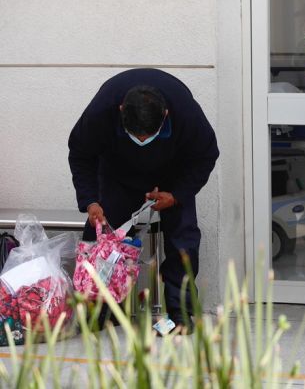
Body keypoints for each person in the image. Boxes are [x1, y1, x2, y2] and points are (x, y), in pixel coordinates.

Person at [68, 68, 219, 330]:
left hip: (172, 174)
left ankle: (180, 313)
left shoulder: (185, 112)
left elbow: (206, 156)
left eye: (149, 136)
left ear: (166, 115)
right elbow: (80, 154)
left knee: (183, 239)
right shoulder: (101, 110)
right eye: (135, 136)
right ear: (120, 111)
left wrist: (177, 195)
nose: (142, 141)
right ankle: (100, 310)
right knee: (102, 236)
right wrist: (91, 201)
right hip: (117, 172)